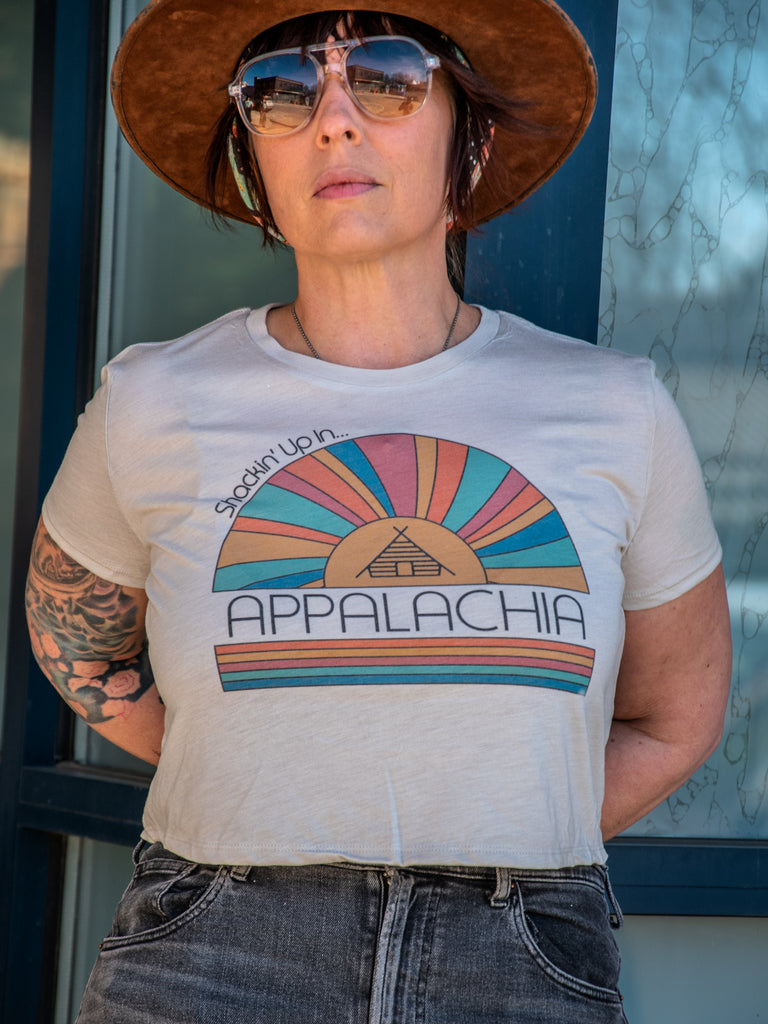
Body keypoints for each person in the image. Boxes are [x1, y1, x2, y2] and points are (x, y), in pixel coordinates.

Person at [25, 1, 732, 1021]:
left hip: (521, 957)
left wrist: (503, 826)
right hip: (211, 952)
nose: (334, 121)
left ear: (471, 138)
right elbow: (78, 646)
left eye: (389, 76)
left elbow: (676, 719)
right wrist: (259, 761)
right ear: (252, 158)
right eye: (283, 89)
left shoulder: (616, 406)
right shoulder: (152, 399)